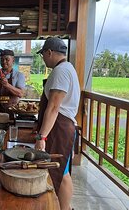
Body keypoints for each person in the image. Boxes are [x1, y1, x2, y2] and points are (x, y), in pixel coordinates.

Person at [34, 37, 80, 210]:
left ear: (49, 52)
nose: (43, 59)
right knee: (61, 171)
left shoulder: (61, 71)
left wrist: (42, 136)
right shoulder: (66, 68)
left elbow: (53, 107)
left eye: (43, 55)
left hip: (59, 128)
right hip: (59, 126)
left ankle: (65, 208)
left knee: (60, 172)